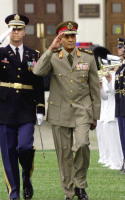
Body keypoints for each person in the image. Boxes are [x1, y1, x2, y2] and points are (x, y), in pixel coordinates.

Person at [0, 14, 45, 200]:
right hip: (6, 107)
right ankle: (13, 192)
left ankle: (26, 176)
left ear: (24, 32)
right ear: (9, 31)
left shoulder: (34, 55)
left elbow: (39, 82)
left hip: (26, 107)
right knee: (8, 153)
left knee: (24, 147)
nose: (16, 32)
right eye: (12, 29)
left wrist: (40, 108)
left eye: (19, 29)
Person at [33, 21, 101, 200]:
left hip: (82, 110)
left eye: (73, 36)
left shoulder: (87, 57)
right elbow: (37, 71)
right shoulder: (54, 56)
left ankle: (80, 184)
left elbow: (94, 88)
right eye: (66, 36)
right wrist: (50, 48)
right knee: (64, 154)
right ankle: (69, 192)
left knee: (82, 145)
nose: (70, 39)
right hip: (60, 111)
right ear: (60, 38)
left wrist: (95, 115)